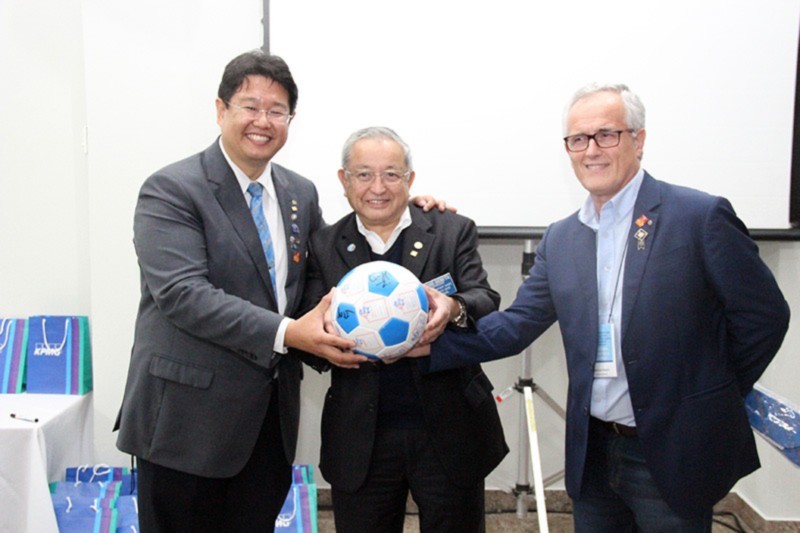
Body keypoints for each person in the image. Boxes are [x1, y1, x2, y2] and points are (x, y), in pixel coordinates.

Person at [411, 83, 790, 531]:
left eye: (606, 134)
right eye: (578, 139)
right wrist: (424, 344)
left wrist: (709, 391)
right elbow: (516, 325)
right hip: (593, 454)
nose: (591, 150)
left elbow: (764, 317)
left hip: (672, 451)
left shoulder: (698, 216)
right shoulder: (562, 238)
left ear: (639, 140)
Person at [114, 51, 444, 532]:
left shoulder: (298, 193)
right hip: (187, 425)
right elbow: (184, 295)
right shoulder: (172, 189)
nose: (263, 121)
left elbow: (328, 272)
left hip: (267, 424)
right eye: (250, 106)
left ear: (291, 119)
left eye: (277, 111)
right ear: (221, 110)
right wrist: (289, 333)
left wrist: (407, 209)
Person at [297, 126, 508, 532]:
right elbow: (309, 331)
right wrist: (324, 341)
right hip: (360, 439)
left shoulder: (450, 230)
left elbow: (484, 298)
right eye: (363, 174)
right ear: (344, 181)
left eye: (391, 174)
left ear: (410, 179)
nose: (378, 187)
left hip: (450, 430)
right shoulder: (323, 245)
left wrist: (453, 307)